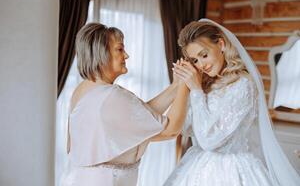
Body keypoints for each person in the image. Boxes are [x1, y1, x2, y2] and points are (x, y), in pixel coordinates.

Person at [164, 19, 300, 186]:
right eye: (195, 61)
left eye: (204, 55)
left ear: (221, 44)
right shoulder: (202, 84)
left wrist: (196, 91)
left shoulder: (243, 85)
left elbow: (210, 141)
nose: (201, 65)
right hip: (194, 166)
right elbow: (184, 127)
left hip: (232, 171)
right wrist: (181, 87)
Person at [60, 23, 189, 186]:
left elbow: (142, 116)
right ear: (101, 53)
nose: (126, 55)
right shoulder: (112, 96)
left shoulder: (83, 89)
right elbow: (170, 131)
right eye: (120, 49)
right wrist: (186, 83)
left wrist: (175, 87)